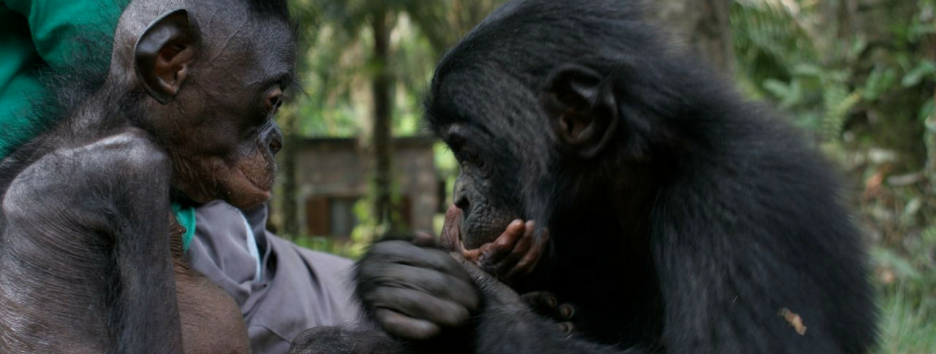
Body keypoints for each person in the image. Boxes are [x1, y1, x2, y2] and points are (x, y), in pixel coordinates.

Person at [0, 1, 361, 353]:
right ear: (170, 63)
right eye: (269, 103)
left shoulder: (63, 163)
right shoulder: (134, 166)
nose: (275, 138)